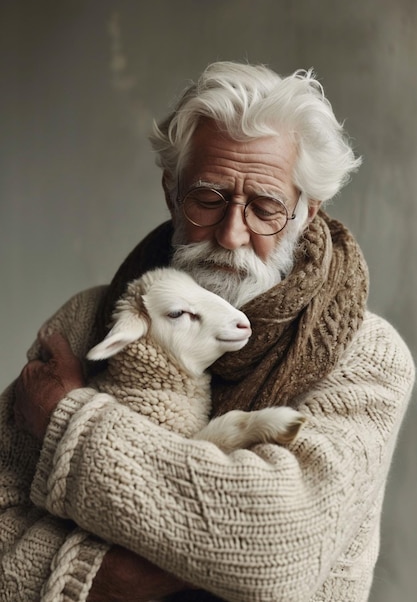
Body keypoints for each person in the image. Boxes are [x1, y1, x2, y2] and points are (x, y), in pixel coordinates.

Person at [3, 61, 415, 602]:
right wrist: (108, 578)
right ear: (173, 194)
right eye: (208, 197)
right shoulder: (86, 322)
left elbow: (276, 546)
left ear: (306, 214)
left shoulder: (368, 357)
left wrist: (66, 418)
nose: (231, 233)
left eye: (266, 207)